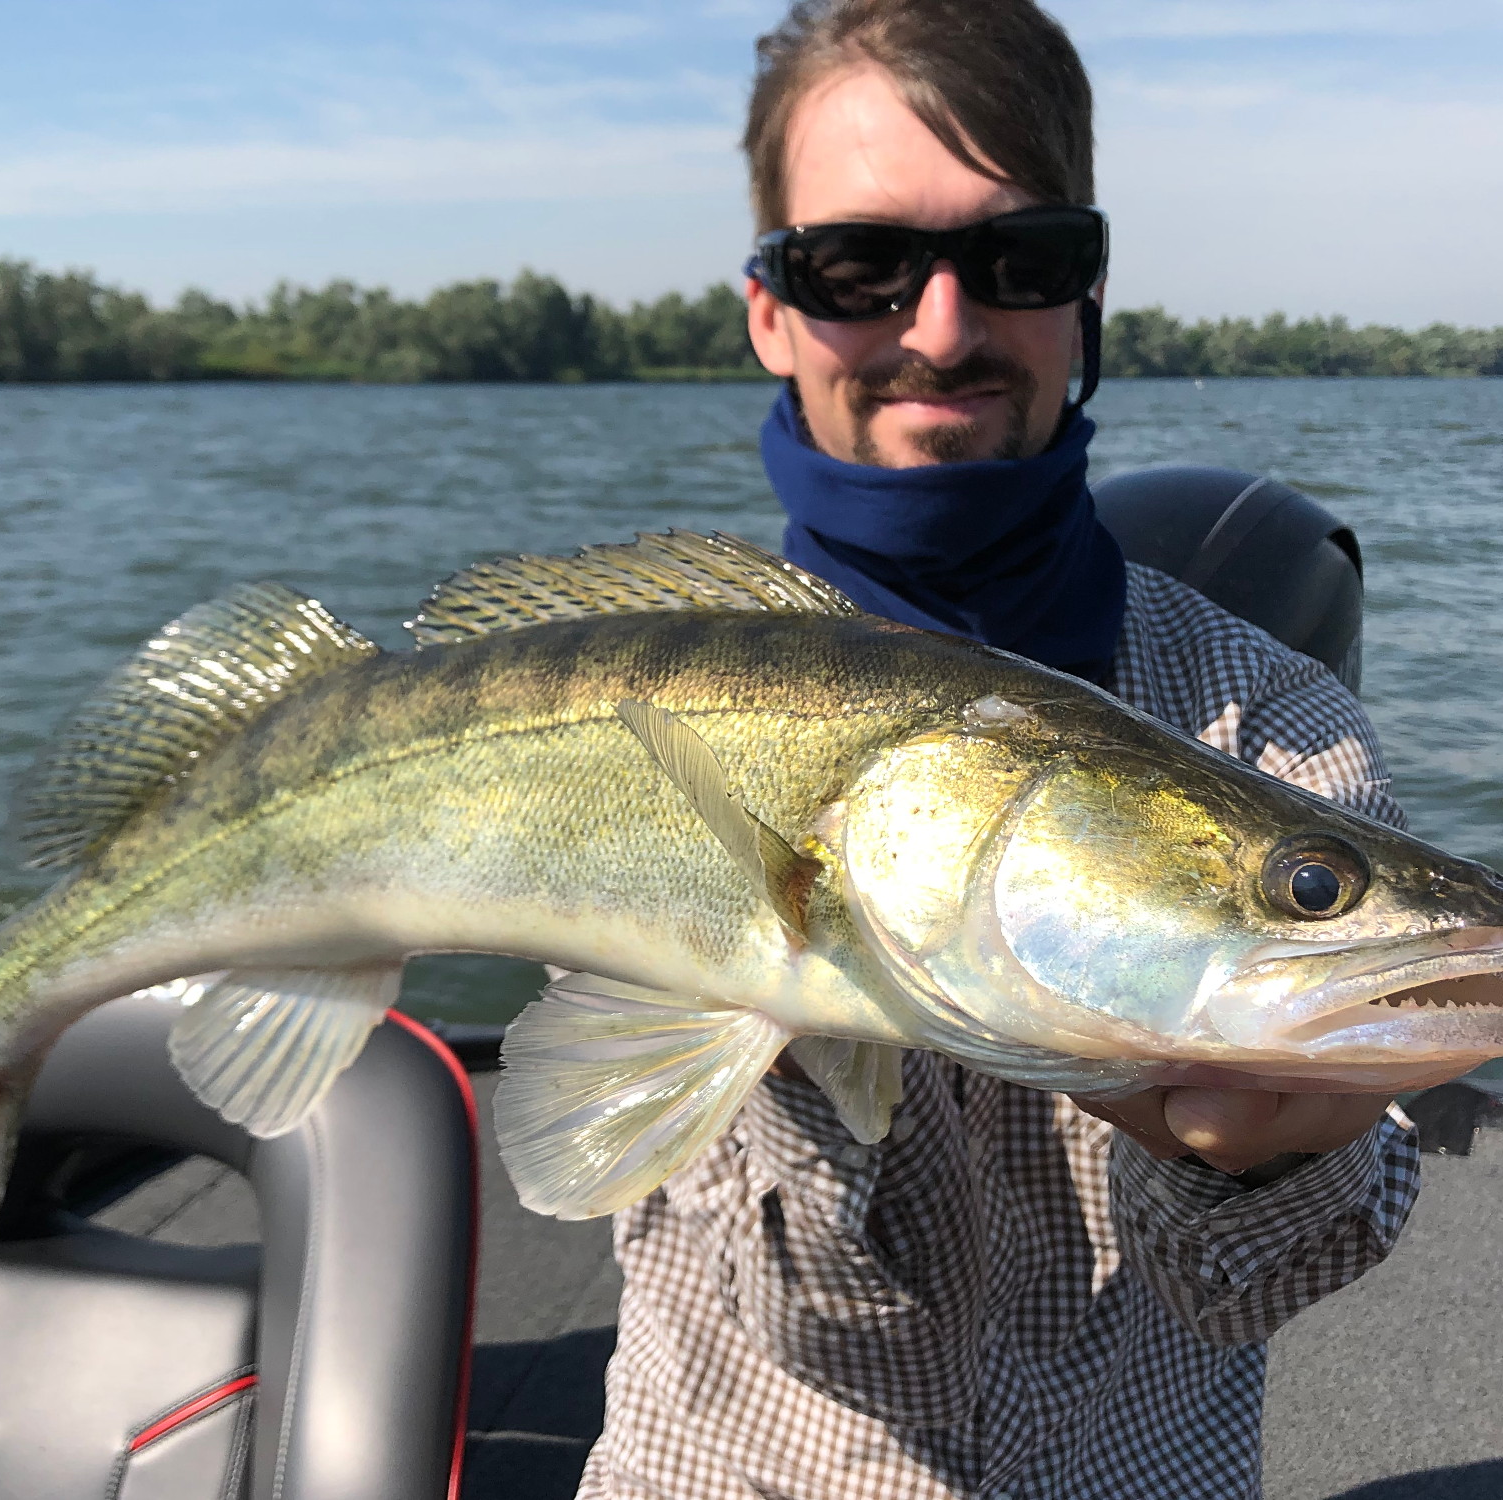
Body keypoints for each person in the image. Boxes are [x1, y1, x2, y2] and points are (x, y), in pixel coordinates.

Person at [573, 3, 1422, 1497]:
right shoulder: (628, 705)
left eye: (1020, 258)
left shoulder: (1271, 730)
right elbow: (743, 1254)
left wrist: (1273, 1153)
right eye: (858, 265)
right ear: (770, 308)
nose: (944, 328)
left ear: (1087, 293)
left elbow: (1266, 1281)